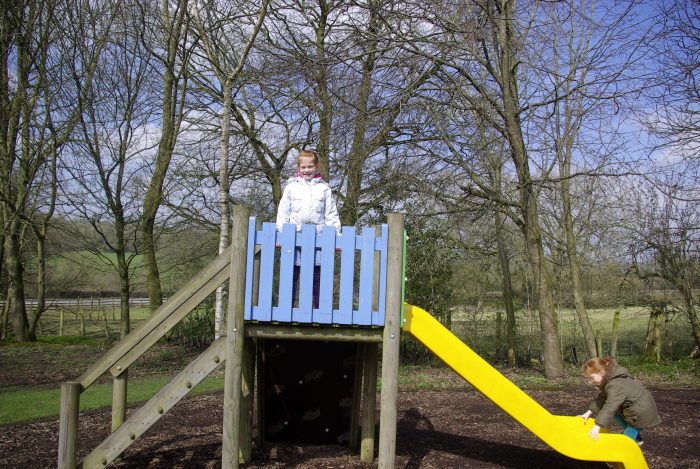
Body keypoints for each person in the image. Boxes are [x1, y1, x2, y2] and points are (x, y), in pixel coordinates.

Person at [276, 149, 340, 308]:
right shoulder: (291, 188)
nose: (306, 170)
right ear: (298, 168)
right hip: (294, 238)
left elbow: (331, 213)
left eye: (310, 166)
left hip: (319, 238)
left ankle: (319, 308)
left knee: (317, 275)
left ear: (317, 167)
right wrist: (282, 235)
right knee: (291, 273)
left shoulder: (324, 189)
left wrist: (336, 237)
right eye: (303, 167)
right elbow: (283, 211)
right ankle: (287, 307)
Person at [577, 357, 661, 445]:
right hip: (637, 406)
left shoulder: (615, 385)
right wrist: (589, 412)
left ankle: (626, 449)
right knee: (617, 414)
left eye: (592, 378)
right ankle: (636, 439)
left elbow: (610, 407)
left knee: (626, 440)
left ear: (601, 372)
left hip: (642, 411)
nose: (591, 381)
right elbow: (603, 397)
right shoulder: (610, 379)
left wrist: (597, 426)